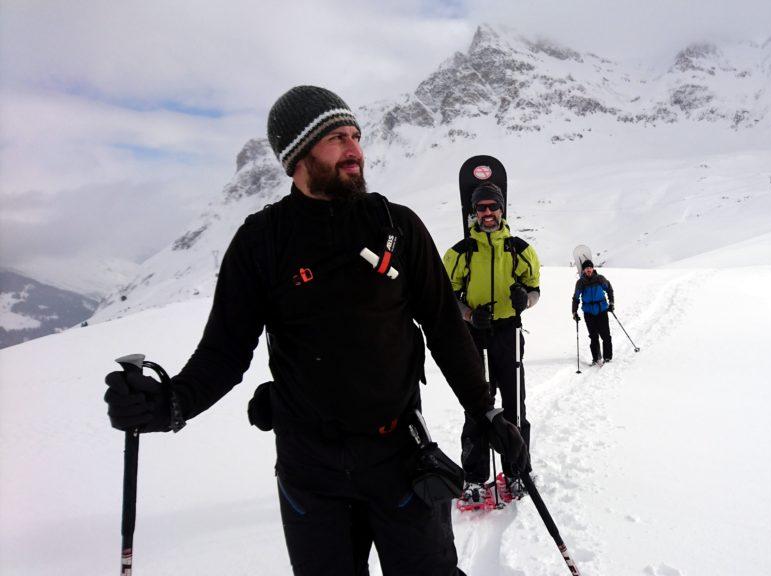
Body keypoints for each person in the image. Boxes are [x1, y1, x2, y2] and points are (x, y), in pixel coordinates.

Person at [103, 85, 528, 576]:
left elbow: (444, 329)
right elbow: (224, 352)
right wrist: (170, 403)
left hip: (399, 455)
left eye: (356, 136)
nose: (355, 151)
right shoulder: (262, 243)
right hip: (310, 471)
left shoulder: (398, 226)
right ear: (297, 156)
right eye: (336, 139)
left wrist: (484, 410)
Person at [442, 180, 541, 503]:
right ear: (473, 212)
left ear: (502, 209)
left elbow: (535, 290)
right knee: (477, 408)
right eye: (481, 207)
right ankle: (473, 477)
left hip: (509, 333)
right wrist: (469, 314)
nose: (487, 213)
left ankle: (517, 471)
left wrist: (522, 300)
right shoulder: (459, 253)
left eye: (492, 206)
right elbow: (447, 297)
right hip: (474, 336)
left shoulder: (520, 249)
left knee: (514, 406)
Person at [572, 260, 614, 365]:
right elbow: (576, 298)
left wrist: (611, 303)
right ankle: (596, 358)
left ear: (593, 268)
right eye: (586, 268)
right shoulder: (581, 282)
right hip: (589, 313)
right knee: (593, 336)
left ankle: (607, 357)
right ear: (584, 270)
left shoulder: (600, 279)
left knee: (605, 335)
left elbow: (609, 289)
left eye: (590, 268)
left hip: (601, 311)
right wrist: (574, 312)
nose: (588, 270)